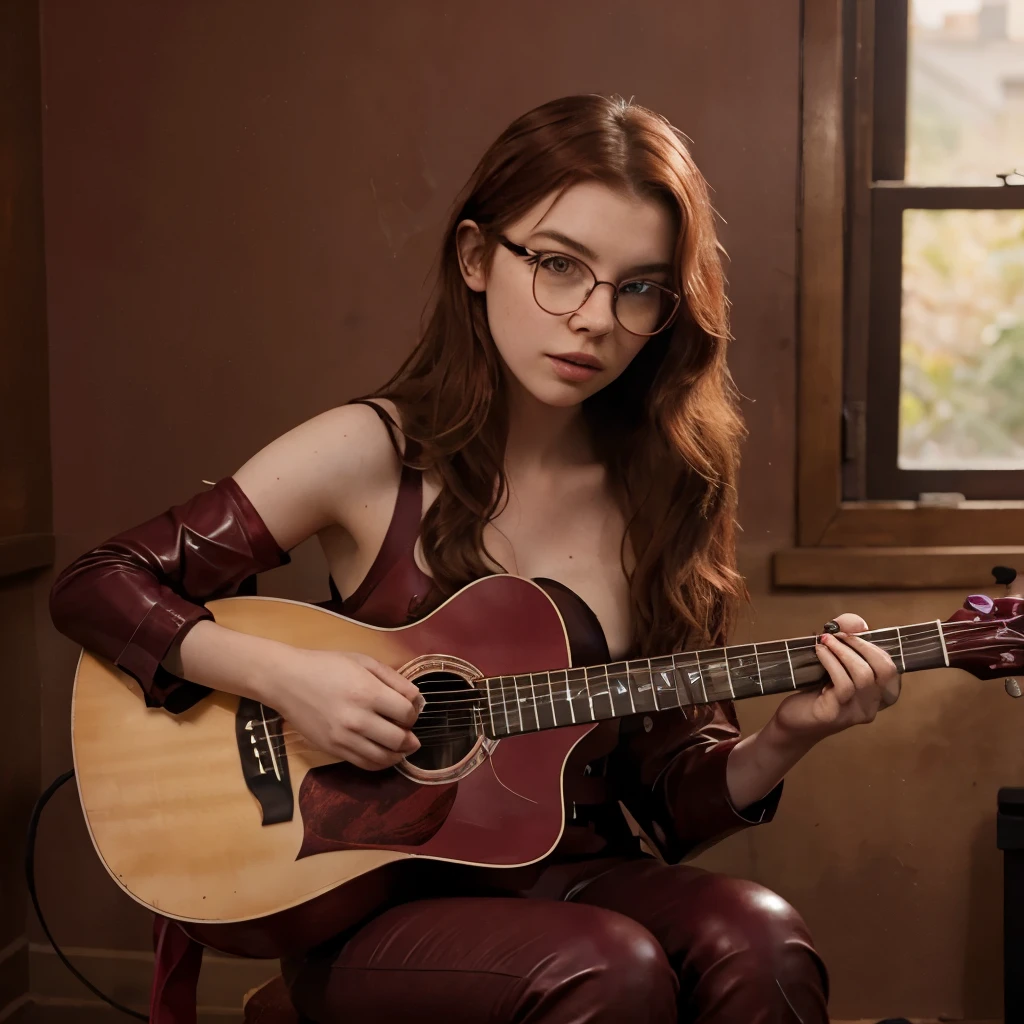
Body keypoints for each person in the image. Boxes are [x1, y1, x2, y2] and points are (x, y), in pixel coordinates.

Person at [49, 94, 901, 1024]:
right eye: (560, 266)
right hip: (370, 896)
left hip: (576, 877)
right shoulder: (371, 453)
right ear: (475, 258)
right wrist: (287, 679)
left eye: (639, 287)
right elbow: (98, 583)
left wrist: (788, 736)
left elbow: (666, 801)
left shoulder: (668, 488)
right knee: (607, 968)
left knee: (764, 940)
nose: (593, 319)